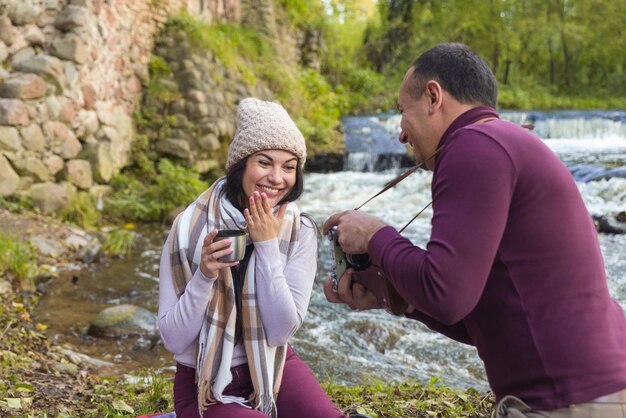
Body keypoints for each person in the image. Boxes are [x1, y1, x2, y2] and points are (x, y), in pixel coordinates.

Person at [322, 43, 626, 418]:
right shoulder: (502, 142)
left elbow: (446, 294)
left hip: (565, 400)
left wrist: (375, 234)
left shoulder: (473, 147)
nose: (401, 134)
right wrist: (390, 295)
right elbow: (480, 316)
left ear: (433, 97)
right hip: (594, 391)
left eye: (403, 111)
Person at [158, 98, 348, 417]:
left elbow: (281, 332)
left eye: (289, 167)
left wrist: (267, 246)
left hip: (274, 365)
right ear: (241, 164)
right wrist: (204, 275)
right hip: (202, 384)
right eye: (264, 162)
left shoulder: (298, 229)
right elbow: (174, 341)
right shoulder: (189, 227)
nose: (277, 178)